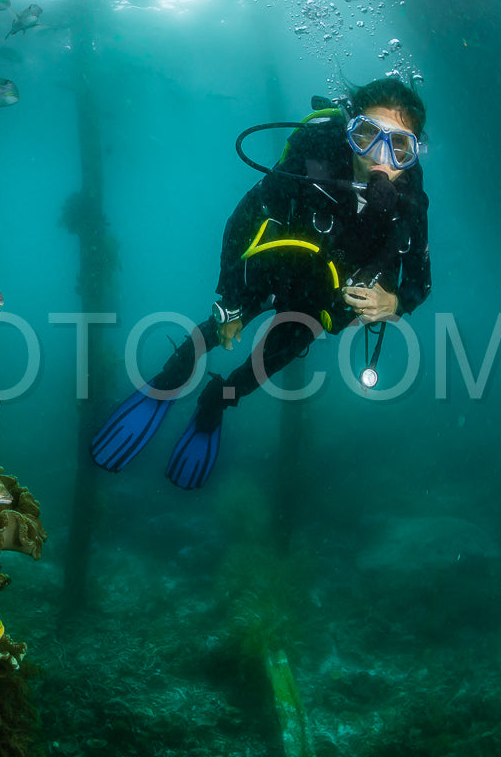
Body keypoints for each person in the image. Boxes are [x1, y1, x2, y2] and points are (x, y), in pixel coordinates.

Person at [91, 77, 431, 488]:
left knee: (254, 373)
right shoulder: (313, 162)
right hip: (272, 271)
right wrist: (230, 301)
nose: (380, 158)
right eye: (366, 135)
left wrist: (390, 303)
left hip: (317, 307)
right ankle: (166, 381)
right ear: (348, 131)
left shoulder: (411, 205)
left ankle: (214, 406)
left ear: (413, 154)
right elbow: (242, 220)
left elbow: (419, 283)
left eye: (399, 148)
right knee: (213, 332)